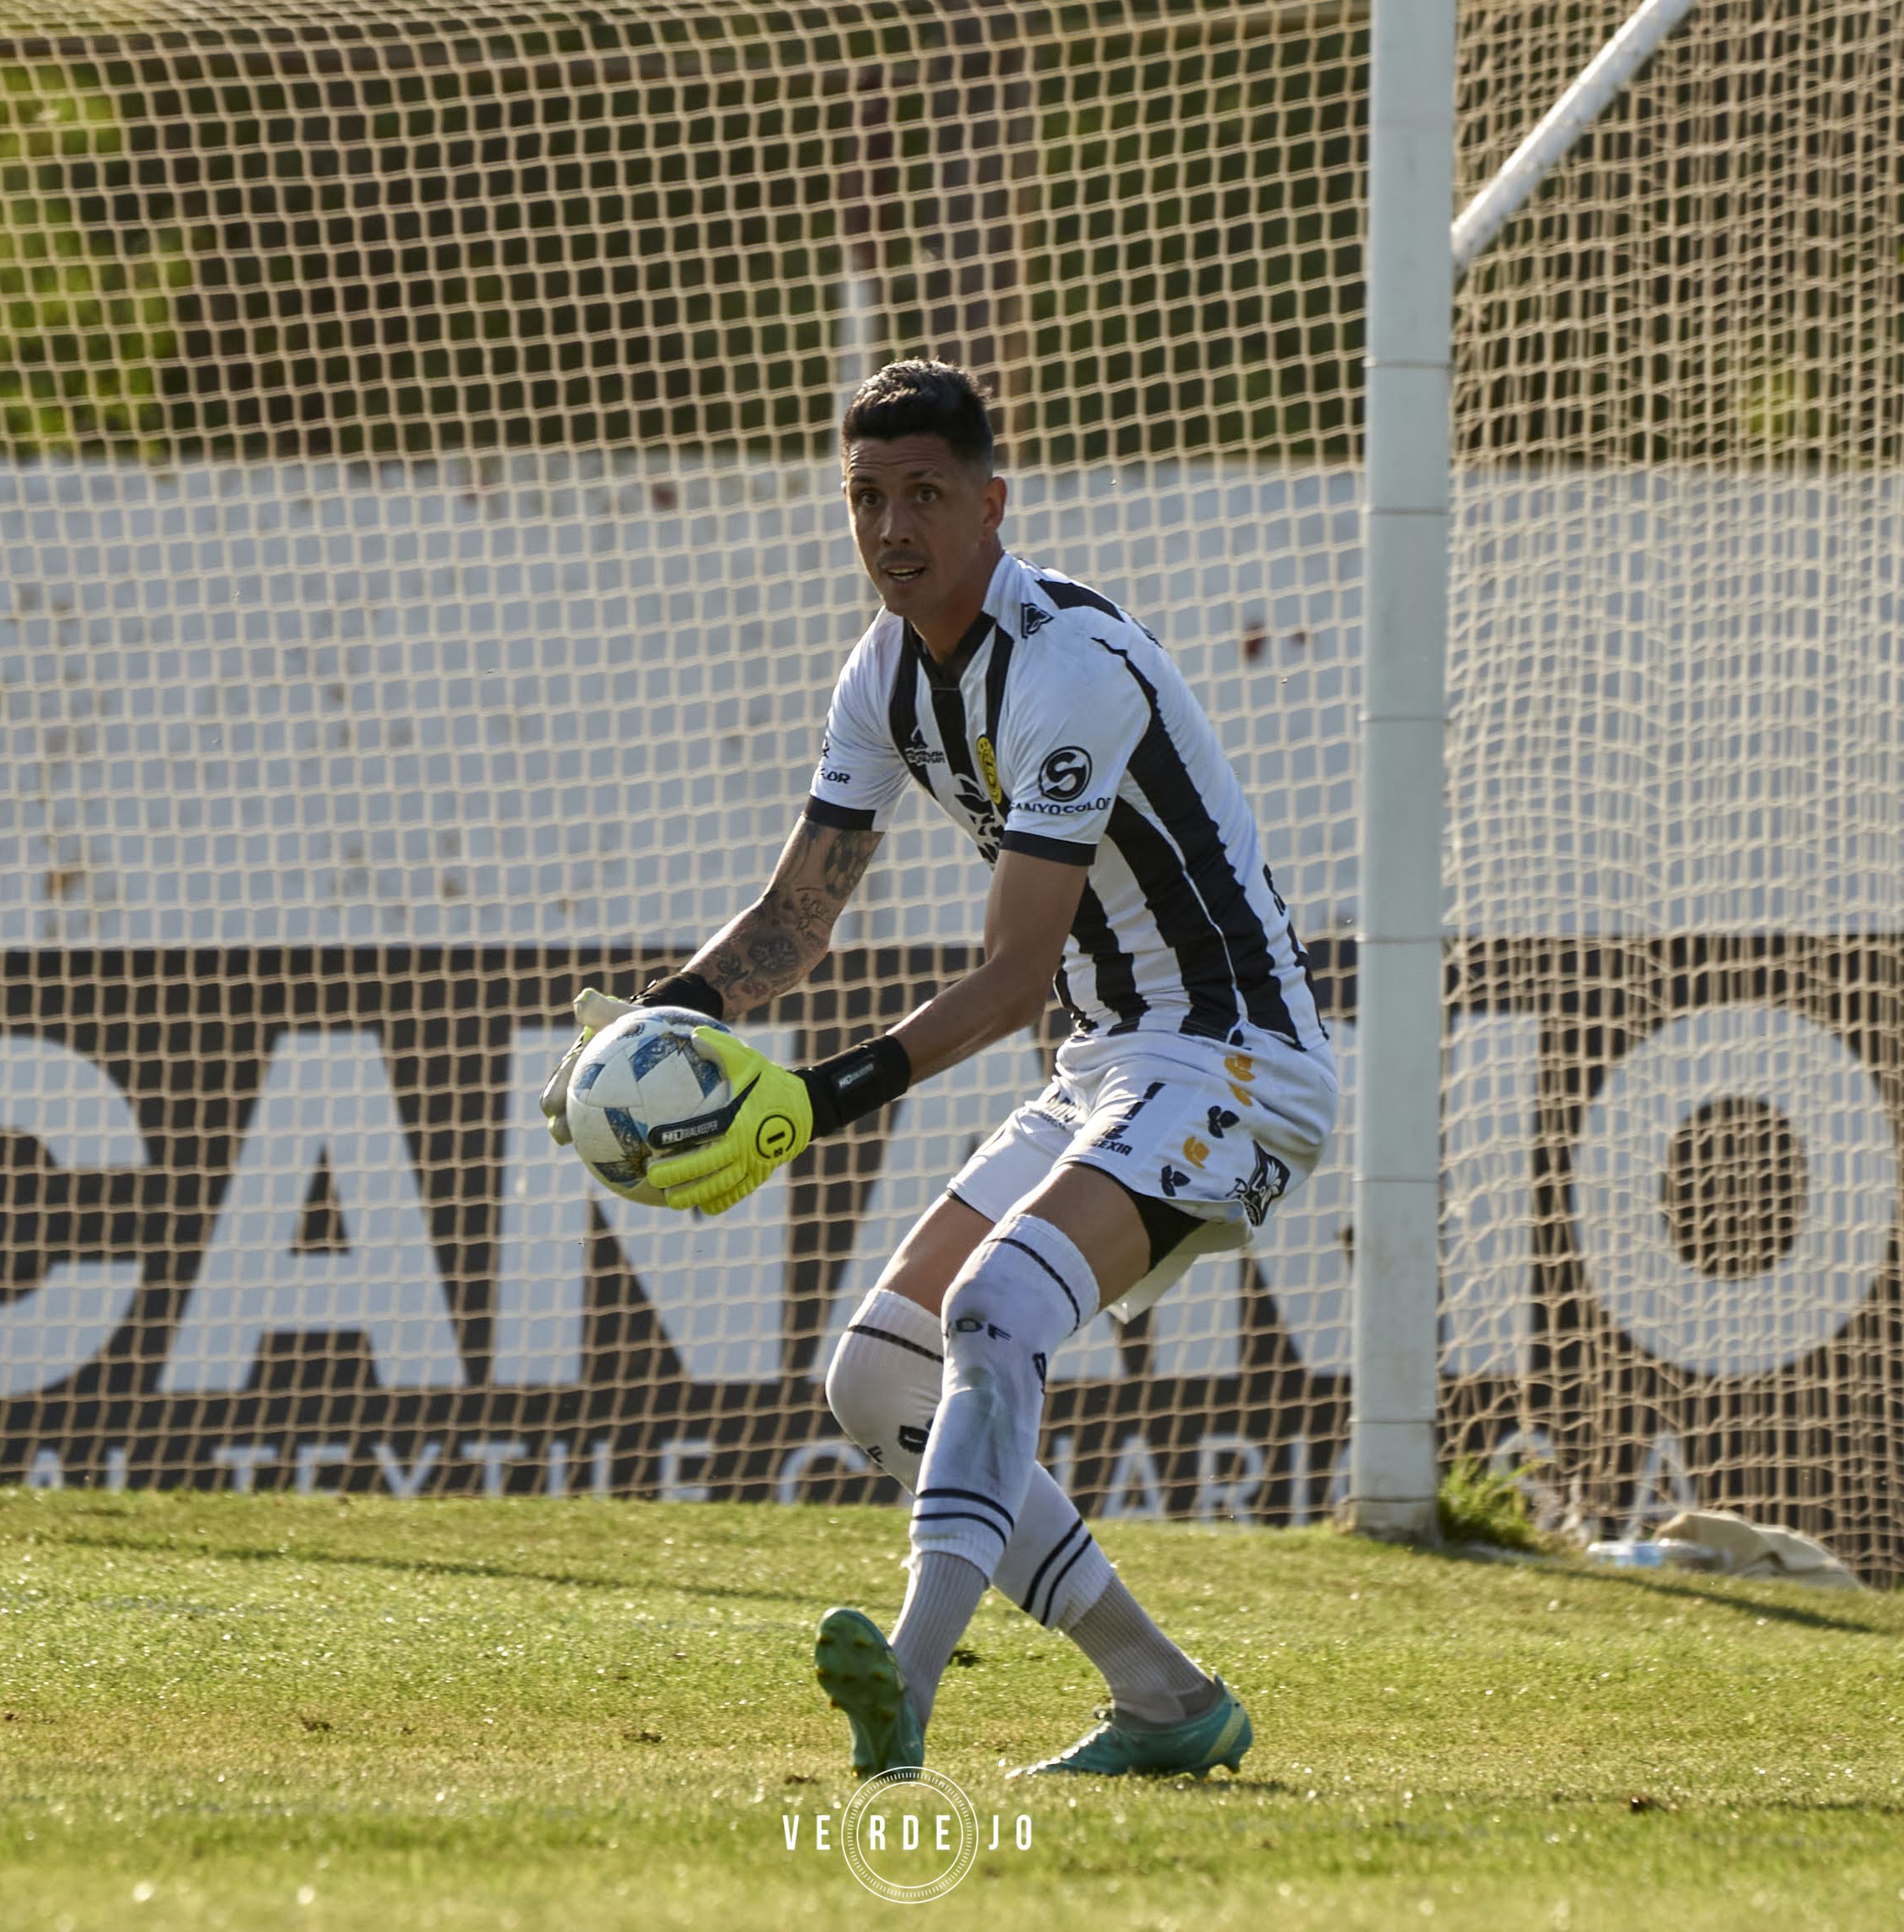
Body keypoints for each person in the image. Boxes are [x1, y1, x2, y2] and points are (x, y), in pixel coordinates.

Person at [539, 359, 1337, 1780]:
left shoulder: (1069, 667)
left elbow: (1010, 978)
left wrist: (814, 1101)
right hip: (1109, 1064)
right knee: (876, 1377)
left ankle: (905, 1687)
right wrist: (646, 1031)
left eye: (922, 495)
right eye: (865, 498)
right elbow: (795, 920)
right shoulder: (883, 674)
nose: (891, 528)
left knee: (992, 1309)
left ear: (990, 504)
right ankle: (1164, 1697)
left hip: (1234, 1060)